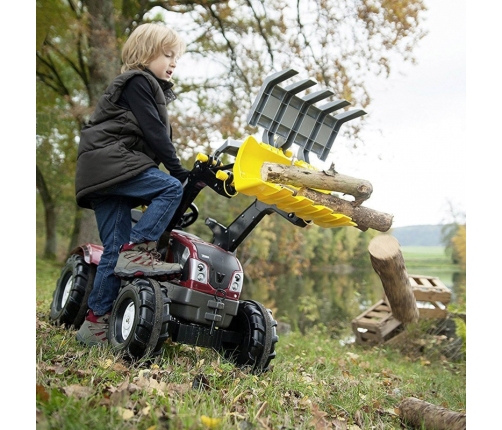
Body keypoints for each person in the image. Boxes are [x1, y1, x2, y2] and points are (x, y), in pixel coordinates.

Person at [74, 23, 190, 347]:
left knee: (113, 248)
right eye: (167, 55)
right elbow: (156, 133)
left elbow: (151, 134)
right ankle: (139, 251)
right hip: (111, 166)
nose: (173, 62)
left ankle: (94, 325)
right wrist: (178, 169)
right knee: (169, 188)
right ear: (145, 53)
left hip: (100, 174)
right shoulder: (139, 82)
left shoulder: (145, 87)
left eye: (175, 57)